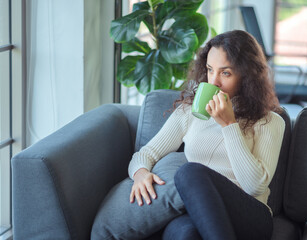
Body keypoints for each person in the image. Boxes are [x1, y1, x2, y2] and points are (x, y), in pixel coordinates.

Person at [91, 30, 285, 240]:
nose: (214, 82)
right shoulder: (189, 111)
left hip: (250, 216)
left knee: (189, 172)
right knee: (184, 234)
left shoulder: (269, 121)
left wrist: (229, 125)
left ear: (247, 76)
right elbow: (146, 153)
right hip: (200, 213)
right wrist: (140, 174)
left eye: (225, 73)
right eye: (210, 70)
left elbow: (255, 186)